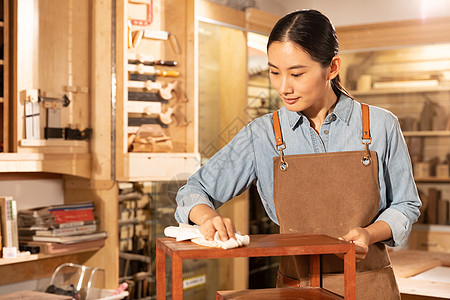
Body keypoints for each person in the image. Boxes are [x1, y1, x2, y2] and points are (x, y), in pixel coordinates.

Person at [175, 9, 421, 299]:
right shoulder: (262, 134)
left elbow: (406, 205)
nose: (283, 87)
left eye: (296, 73)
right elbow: (194, 190)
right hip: (297, 290)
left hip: (368, 287)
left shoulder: (381, 125)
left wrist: (369, 233)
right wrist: (206, 218)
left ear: (332, 68)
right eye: (274, 72)